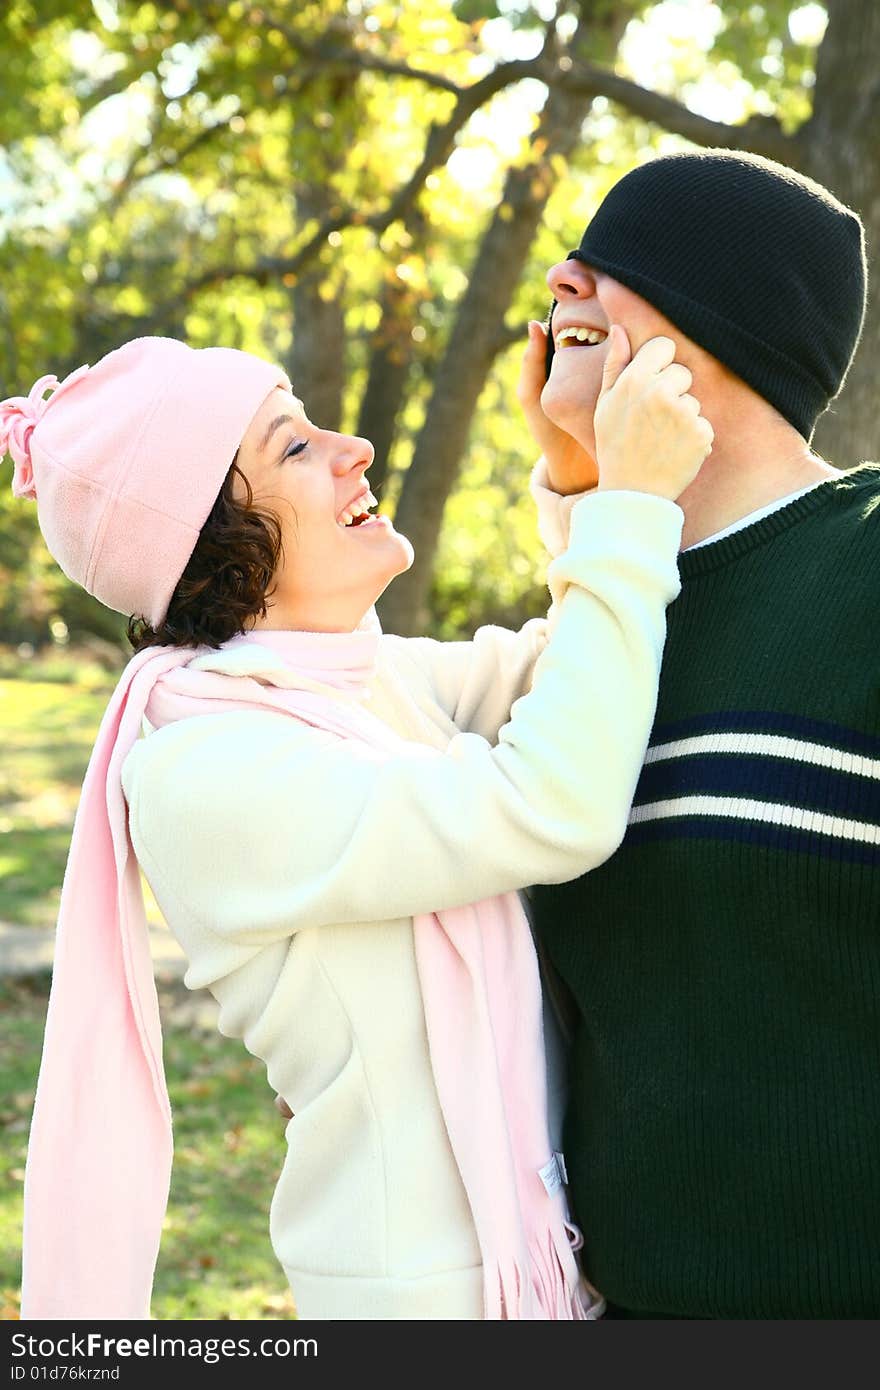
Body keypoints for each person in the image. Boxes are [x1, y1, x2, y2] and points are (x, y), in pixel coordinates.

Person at [2, 324, 711, 1320]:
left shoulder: (349, 687)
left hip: (528, 1262)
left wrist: (583, 482)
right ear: (214, 543)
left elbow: (563, 676)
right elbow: (552, 800)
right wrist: (633, 508)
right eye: (293, 445)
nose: (355, 449)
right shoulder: (205, 772)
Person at [516, 148, 879, 1319]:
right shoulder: (598, 624)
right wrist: (583, 495)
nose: (562, 276)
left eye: (615, 263)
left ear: (726, 319)